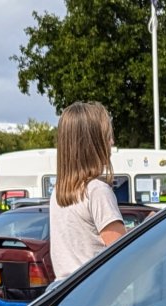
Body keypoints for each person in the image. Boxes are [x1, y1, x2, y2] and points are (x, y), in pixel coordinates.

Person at [49, 101, 126, 280]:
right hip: (94, 294)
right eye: (107, 137)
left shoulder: (60, 193)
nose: (112, 142)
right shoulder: (97, 191)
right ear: (93, 144)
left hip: (63, 292)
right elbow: (124, 252)